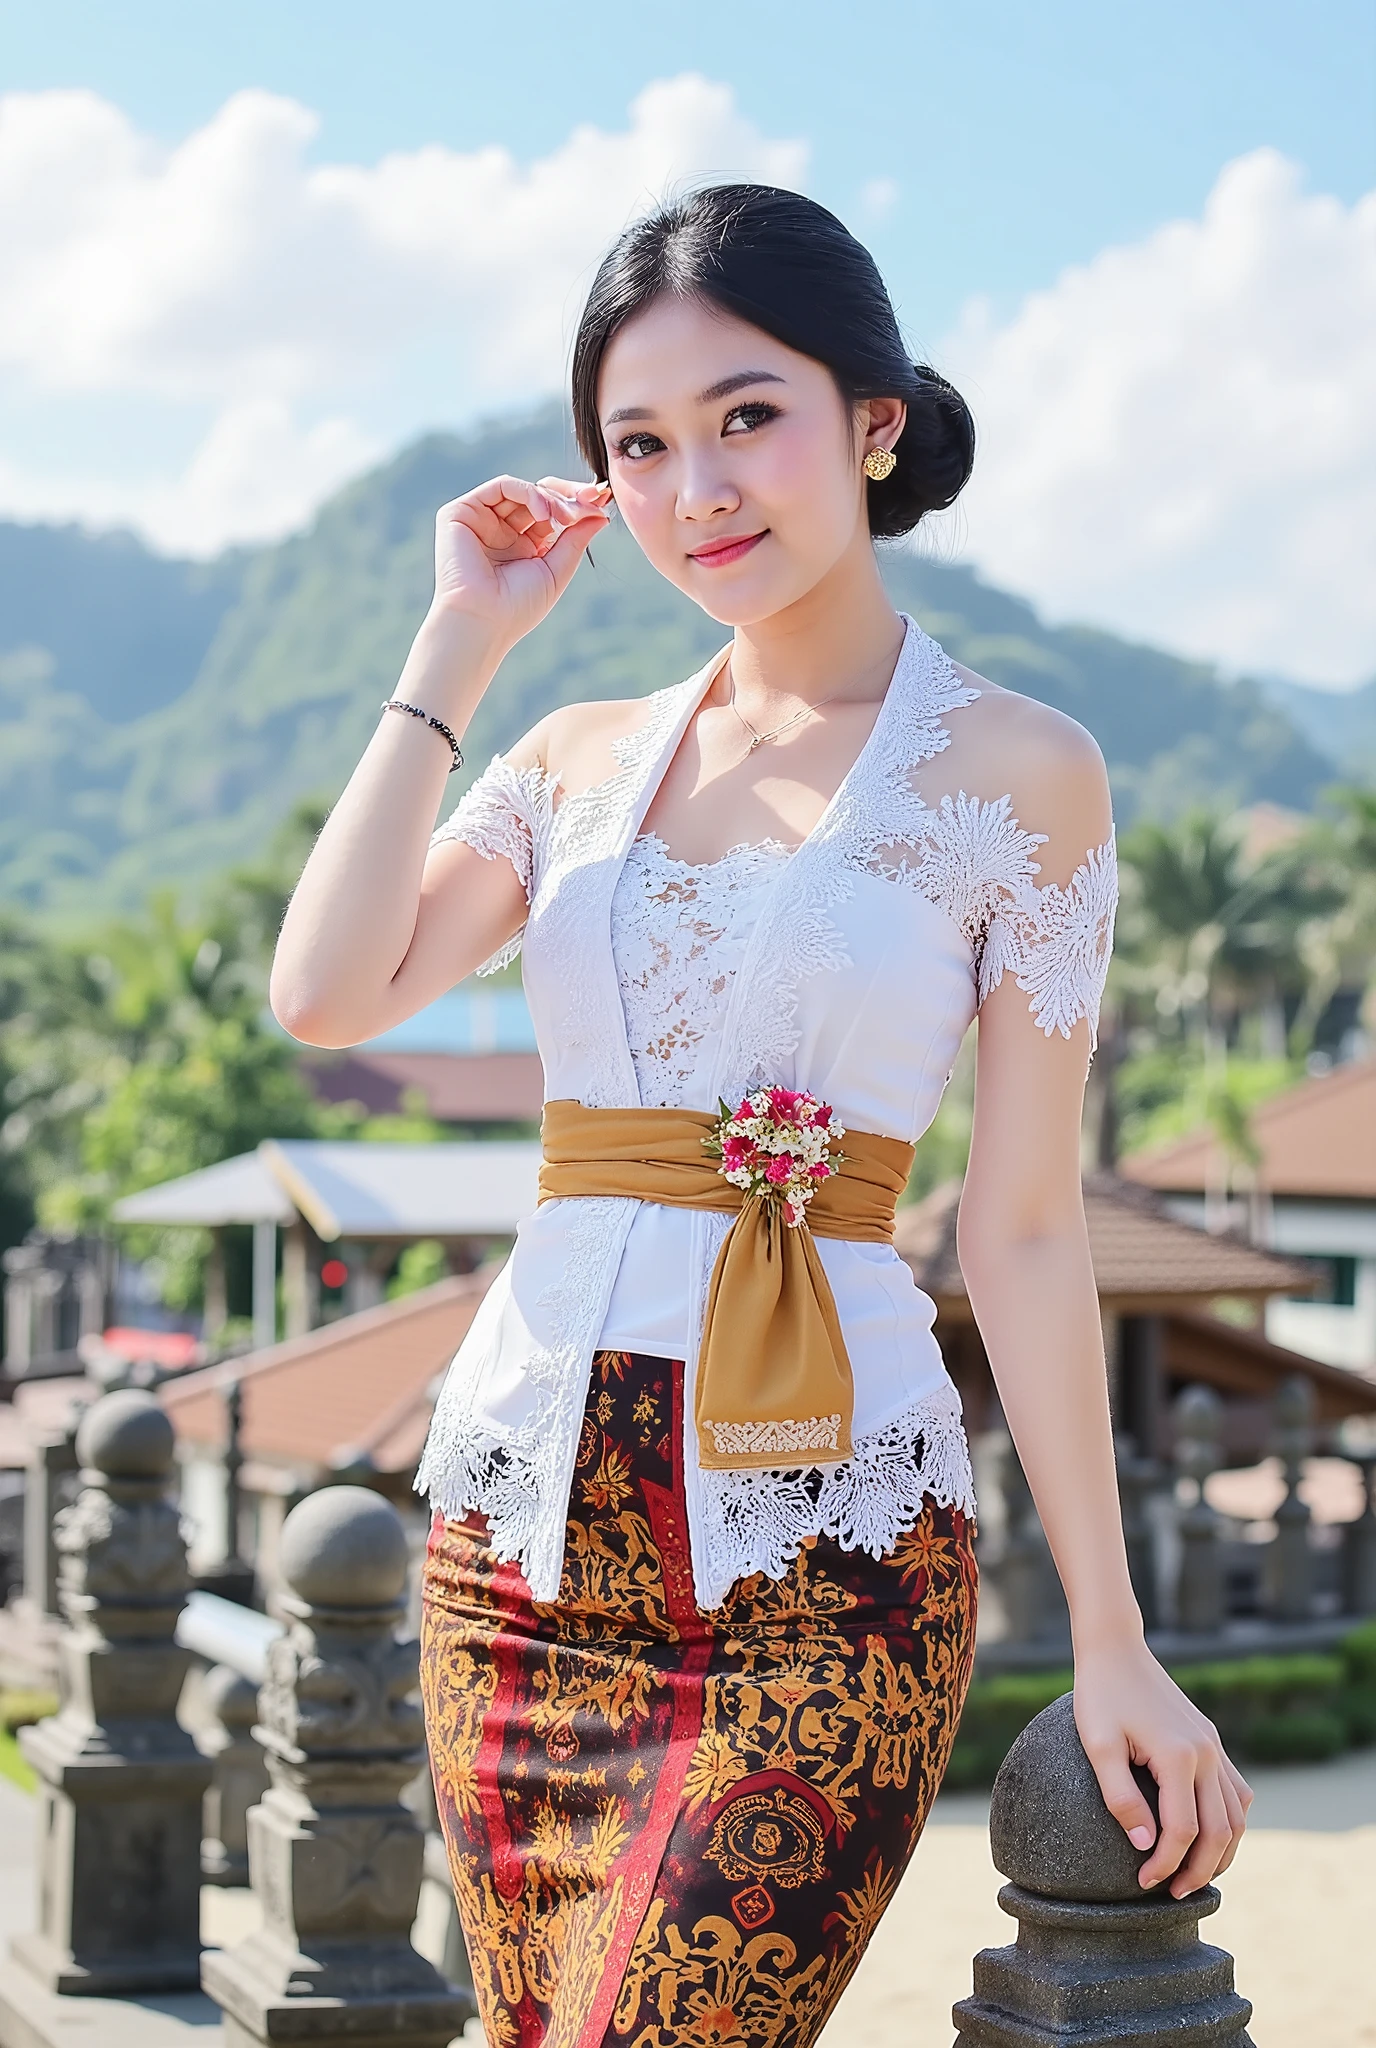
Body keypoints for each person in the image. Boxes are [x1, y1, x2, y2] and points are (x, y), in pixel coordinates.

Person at [271, 182, 1251, 2048]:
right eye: (638, 446)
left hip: (828, 1558)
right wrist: (458, 645)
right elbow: (324, 994)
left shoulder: (1024, 771)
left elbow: (1022, 1225)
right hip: (524, 1542)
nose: (696, 487)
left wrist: (1117, 1646)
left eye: (747, 418)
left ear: (873, 425)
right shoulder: (568, 759)